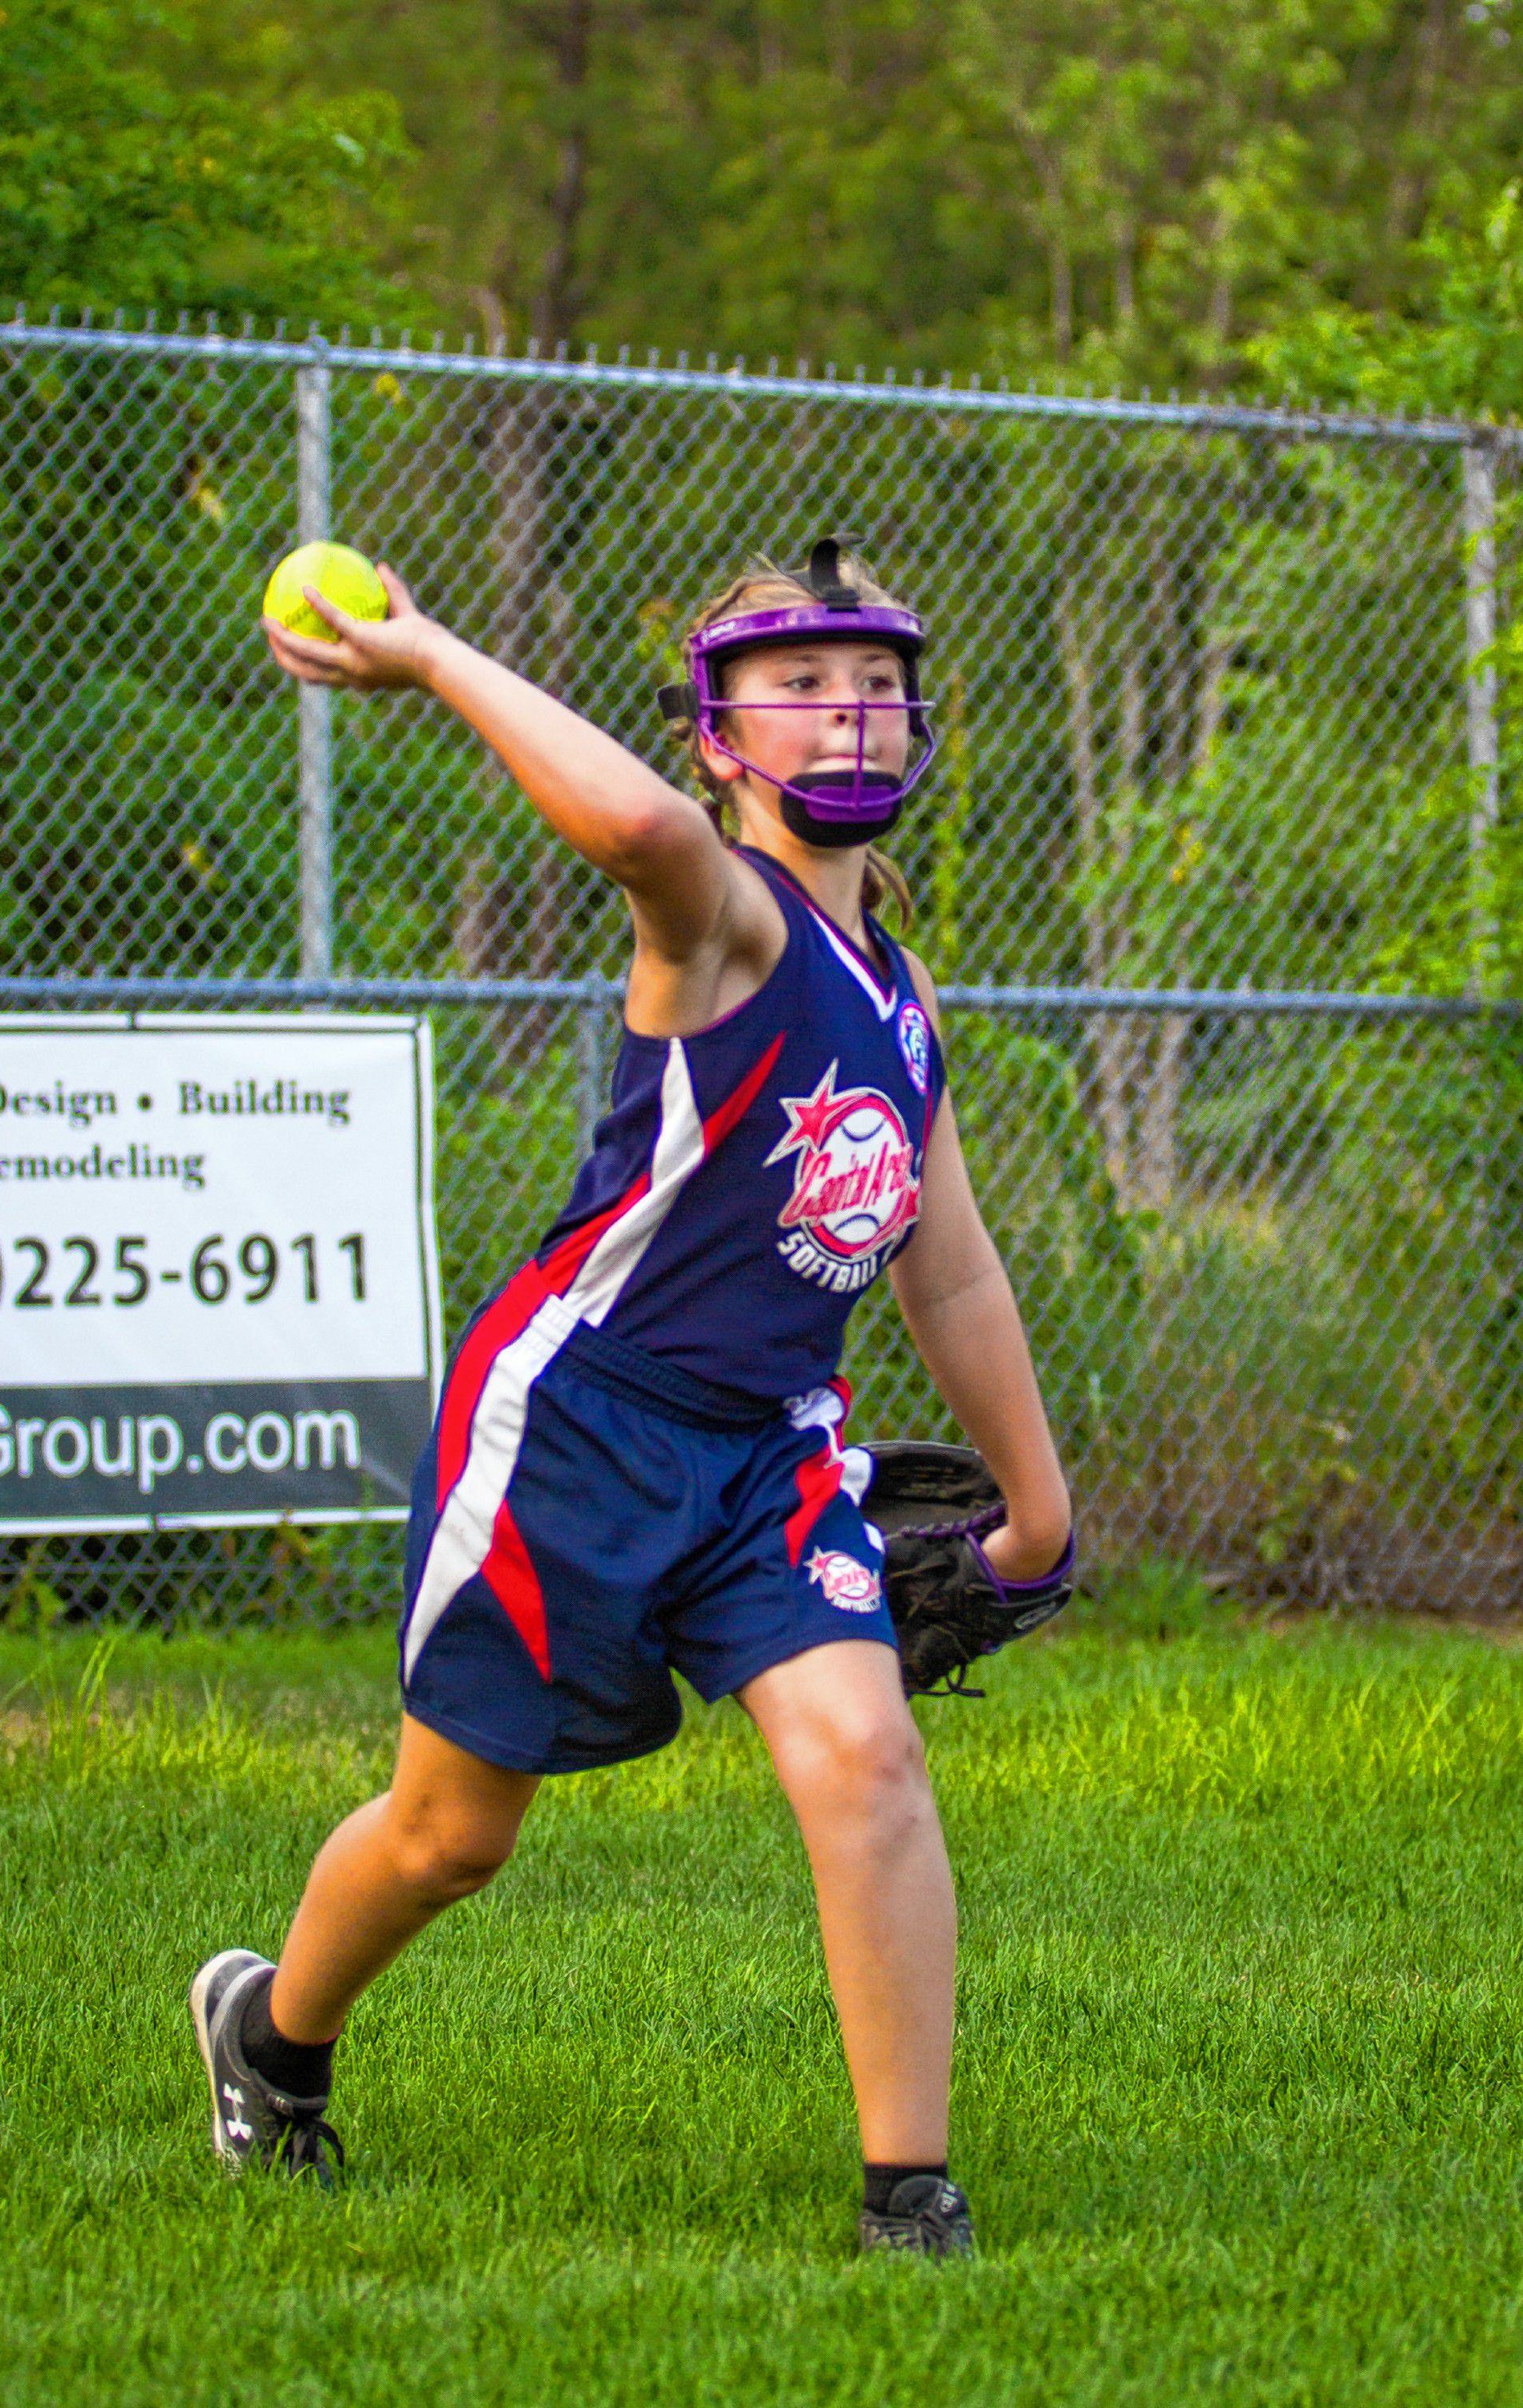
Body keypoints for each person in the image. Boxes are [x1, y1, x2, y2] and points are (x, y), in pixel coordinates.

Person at [190, 537, 1072, 2258]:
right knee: (452, 1837)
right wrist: (434, 652)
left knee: (866, 1758)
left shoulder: (904, 1000)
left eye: (871, 679)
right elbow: (647, 838)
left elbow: (944, 1266)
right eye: (797, 685)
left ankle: (911, 2196)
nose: (845, 714)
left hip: (769, 1452)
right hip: (576, 1425)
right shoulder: (726, 918)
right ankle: (272, 2037)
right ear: (718, 729)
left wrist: (1036, 1509)